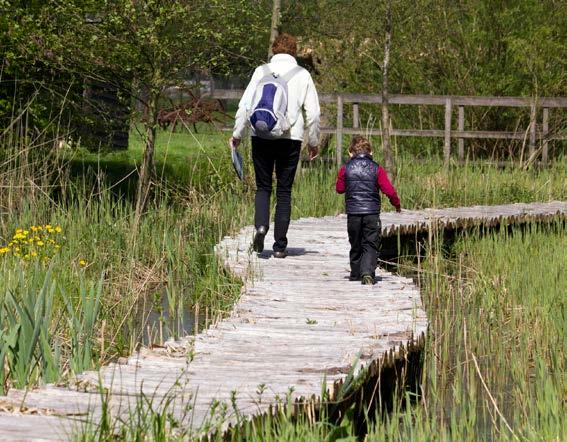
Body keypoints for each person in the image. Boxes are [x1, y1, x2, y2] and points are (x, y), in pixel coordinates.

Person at [230, 33, 320, 258]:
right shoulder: (303, 74)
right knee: (284, 190)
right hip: (291, 138)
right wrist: (313, 141)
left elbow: (245, 106)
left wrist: (237, 135)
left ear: (274, 50)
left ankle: (261, 226)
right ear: (294, 51)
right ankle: (280, 247)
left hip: (261, 135)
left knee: (263, 187)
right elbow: (314, 113)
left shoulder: (261, 72)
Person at [335, 136, 401, 285]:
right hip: (371, 213)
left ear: (350, 152)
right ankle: (367, 273)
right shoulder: (377, 169)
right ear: (371, 152)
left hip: (353, 214)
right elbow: (389, 190)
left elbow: (339, 189)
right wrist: (396, 204)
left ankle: (355, 273)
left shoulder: (345, 169)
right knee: (370, 243)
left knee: (355, 243)